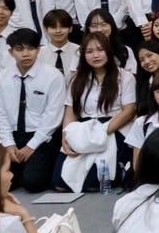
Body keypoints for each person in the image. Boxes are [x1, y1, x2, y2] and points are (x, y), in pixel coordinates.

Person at [59, 32, 137, 192]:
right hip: (83, 129)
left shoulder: (125, 76)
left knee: (96, 182)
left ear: (108, 51)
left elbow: (129, 110)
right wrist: (65, 136)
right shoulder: (77, 80)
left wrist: (102, 130)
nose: (95, 55)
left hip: (113, 128)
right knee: (60, 182)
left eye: (100, 50)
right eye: (89, 51)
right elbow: (70, 110)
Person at [0, 28, 66, 193]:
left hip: (42, 137)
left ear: (38, 50)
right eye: (19, 49)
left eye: (30, 48)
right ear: (11, 52)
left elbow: (53, 117)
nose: (25, 54)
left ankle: (32, 168)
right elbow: (0, 113)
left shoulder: (53, 76)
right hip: (13, 136)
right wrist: (8, 143)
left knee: (33, 183)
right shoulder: (3, 76)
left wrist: (31, 146)